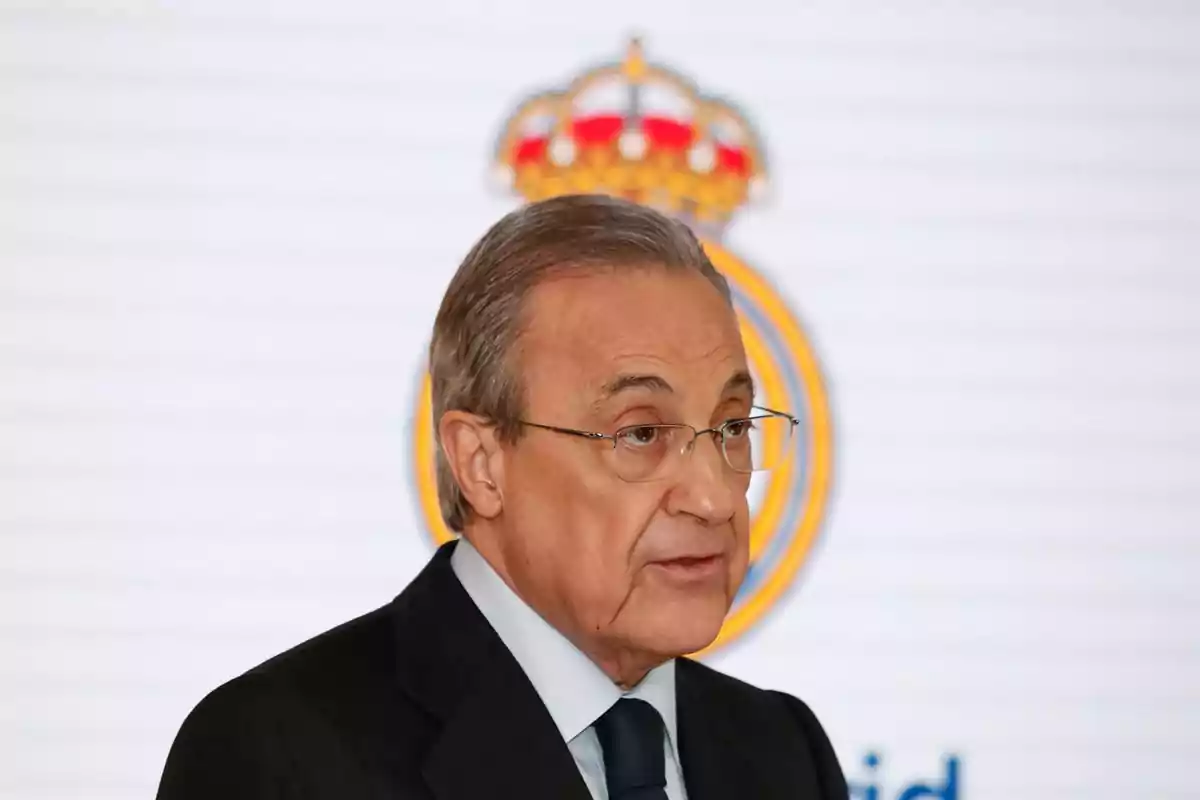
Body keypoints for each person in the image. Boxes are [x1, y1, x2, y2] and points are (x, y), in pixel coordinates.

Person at [156, 194, 846, 799]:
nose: (715, 495)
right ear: (482, 464)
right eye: (640, 433)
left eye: (730, 427)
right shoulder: (277, 756)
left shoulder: (783, 753)